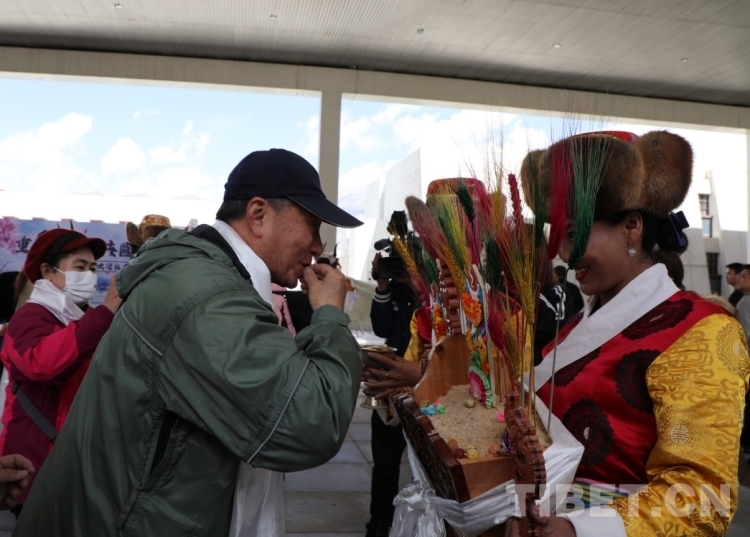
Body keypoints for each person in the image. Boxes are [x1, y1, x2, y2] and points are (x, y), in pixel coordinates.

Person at [14, 149, 364, 537]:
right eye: (312, 226)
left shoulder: (207, 277)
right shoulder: (207, 296)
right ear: (258, 214)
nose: (317, 246)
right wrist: (330, 316)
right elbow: (309, 424)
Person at [508, 130, 749, 536]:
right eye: (559, 237)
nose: (564, 254)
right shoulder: (573, 329)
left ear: (632, 226)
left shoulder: (701, 329)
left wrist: (578, 529)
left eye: (574, 233)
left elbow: (705, 495)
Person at [0, 229, 120, 519]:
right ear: (48, 272)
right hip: (34, 459)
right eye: (80, 267)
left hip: (70, 456)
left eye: (93, 269)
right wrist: (106, 311)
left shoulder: (83, 317)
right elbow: (42, 364)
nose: (89, 275)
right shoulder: (30, 318)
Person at [363, 252, 421, 537]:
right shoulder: (393, 291)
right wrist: (383, 286)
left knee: (424, 465)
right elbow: (382, 327)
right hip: (391, 384)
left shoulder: (432, 292)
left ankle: (419, 523)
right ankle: (379, 522)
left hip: (425, 386)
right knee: (385, 459)